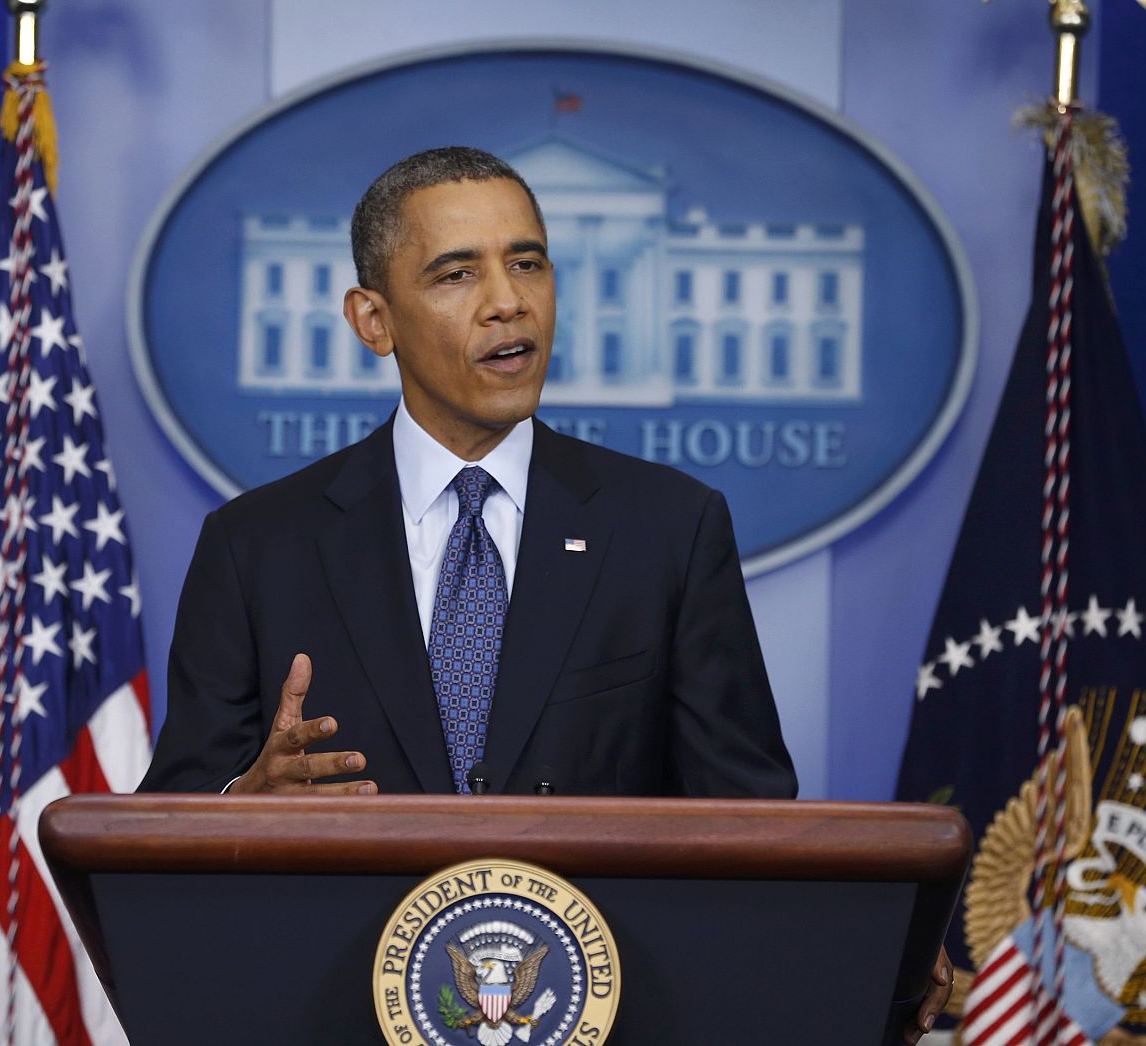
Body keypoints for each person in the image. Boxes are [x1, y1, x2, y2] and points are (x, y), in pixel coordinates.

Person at [138, 145, 951, 1041]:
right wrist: (237, 812)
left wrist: (872, 956)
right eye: (457, 273)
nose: (508, 301)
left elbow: (751, 824)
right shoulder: (258, 546)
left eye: (527, 262)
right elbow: (167, 827)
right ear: (375, 319)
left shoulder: (668, 530)